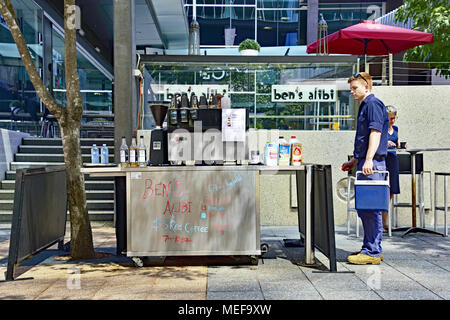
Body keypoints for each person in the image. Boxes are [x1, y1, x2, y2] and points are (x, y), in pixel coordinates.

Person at [340, 72, 389, 265]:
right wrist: (355, 160)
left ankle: (372, 251)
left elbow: (375, 133)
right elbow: (365, 137)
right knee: (366, 208)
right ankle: (372, 247)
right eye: (351, 88)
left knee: (370, 207)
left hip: (373, 163)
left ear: (367, 87)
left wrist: (368, 159)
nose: (352, 92)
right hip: (366, 161)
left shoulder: (373, 104)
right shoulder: (365, 105)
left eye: (355, 88)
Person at [382, 105, 407, 232]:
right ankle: (381, 223)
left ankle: (385, 223)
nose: (392, 121)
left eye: (394, 118)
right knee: (383, 191)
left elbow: (397, 144)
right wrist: (385, 143)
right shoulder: (380, 129)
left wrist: (403, 145)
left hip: (393, 160)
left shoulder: (396, 129)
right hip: (384, 161)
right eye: (390, 118)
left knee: (391, 192)